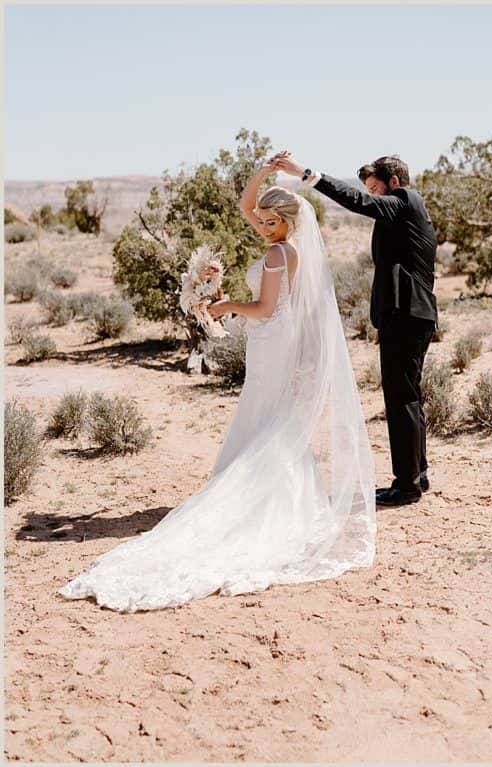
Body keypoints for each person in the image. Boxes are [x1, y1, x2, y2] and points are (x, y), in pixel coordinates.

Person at [59, 163, 376, 612]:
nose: (263, 226)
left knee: (266, 409)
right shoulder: (286, 248)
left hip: (271, 337)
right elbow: (248, 205)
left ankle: (260, 495)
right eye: (263, 221)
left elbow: (265, 308)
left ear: (290, 221)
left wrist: (225, 303)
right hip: (275, 338)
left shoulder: (275, 254)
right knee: (271, 413)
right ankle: (290, 500)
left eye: (272, 221)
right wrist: (265, 173)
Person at [270, 152, 438, 507]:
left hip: (405, 315)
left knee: (400, 397)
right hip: (414, 315)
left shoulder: (405, 200)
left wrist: (307, 174)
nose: (374, 197)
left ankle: (406, 485)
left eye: (377, 189)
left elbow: (357, 202)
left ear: (394, 182)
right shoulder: (407, 211)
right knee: (409, 395)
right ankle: (417, 474)